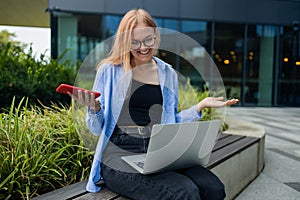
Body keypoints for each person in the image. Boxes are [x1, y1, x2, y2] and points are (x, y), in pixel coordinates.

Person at [70, 8, 239, 200]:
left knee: (213, 188)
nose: (143, 47)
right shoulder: (109, 70)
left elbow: (170, 121)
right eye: (135, 42)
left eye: (148, 39)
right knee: (185, 192)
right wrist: (94, 109)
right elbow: (95, 129)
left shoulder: (167, 73)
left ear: (156, 36)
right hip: (120, 153)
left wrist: (199, 107)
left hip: (159, 149)